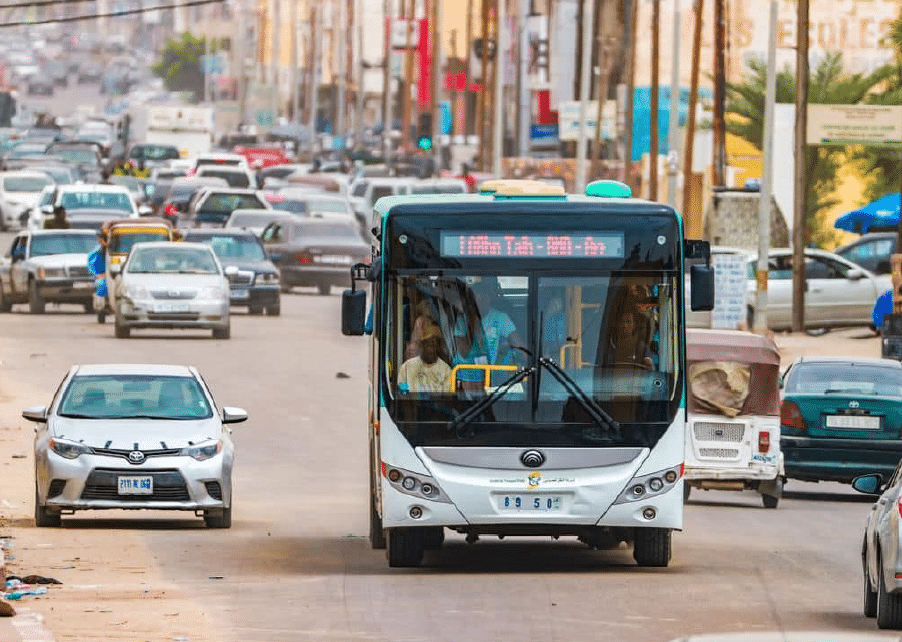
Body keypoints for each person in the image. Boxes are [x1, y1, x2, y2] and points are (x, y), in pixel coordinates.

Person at [473, 279, 523, 365]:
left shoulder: (500, 318)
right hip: (463, 373)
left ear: (489, 298)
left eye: (484, 297)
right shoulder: (463, 319)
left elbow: (518, 343)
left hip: (490, 373)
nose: (481, 302)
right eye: (477, 298)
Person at [397, 324, 451, 393]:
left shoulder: (446, 370)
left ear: (438, 347)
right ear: (422, 345)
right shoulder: (407, 367)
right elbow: (401, 394)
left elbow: (446, 399)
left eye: (434, 345)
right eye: (429, 345)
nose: (432, 350)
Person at [602, 301, 654, 369]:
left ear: (634, 325)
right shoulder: (607, 345)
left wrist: (648, 362)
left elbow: (650, 366)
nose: (625, 325)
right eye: (622, 321)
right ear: (617, 324)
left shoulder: (642, 348)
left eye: (628, 321)